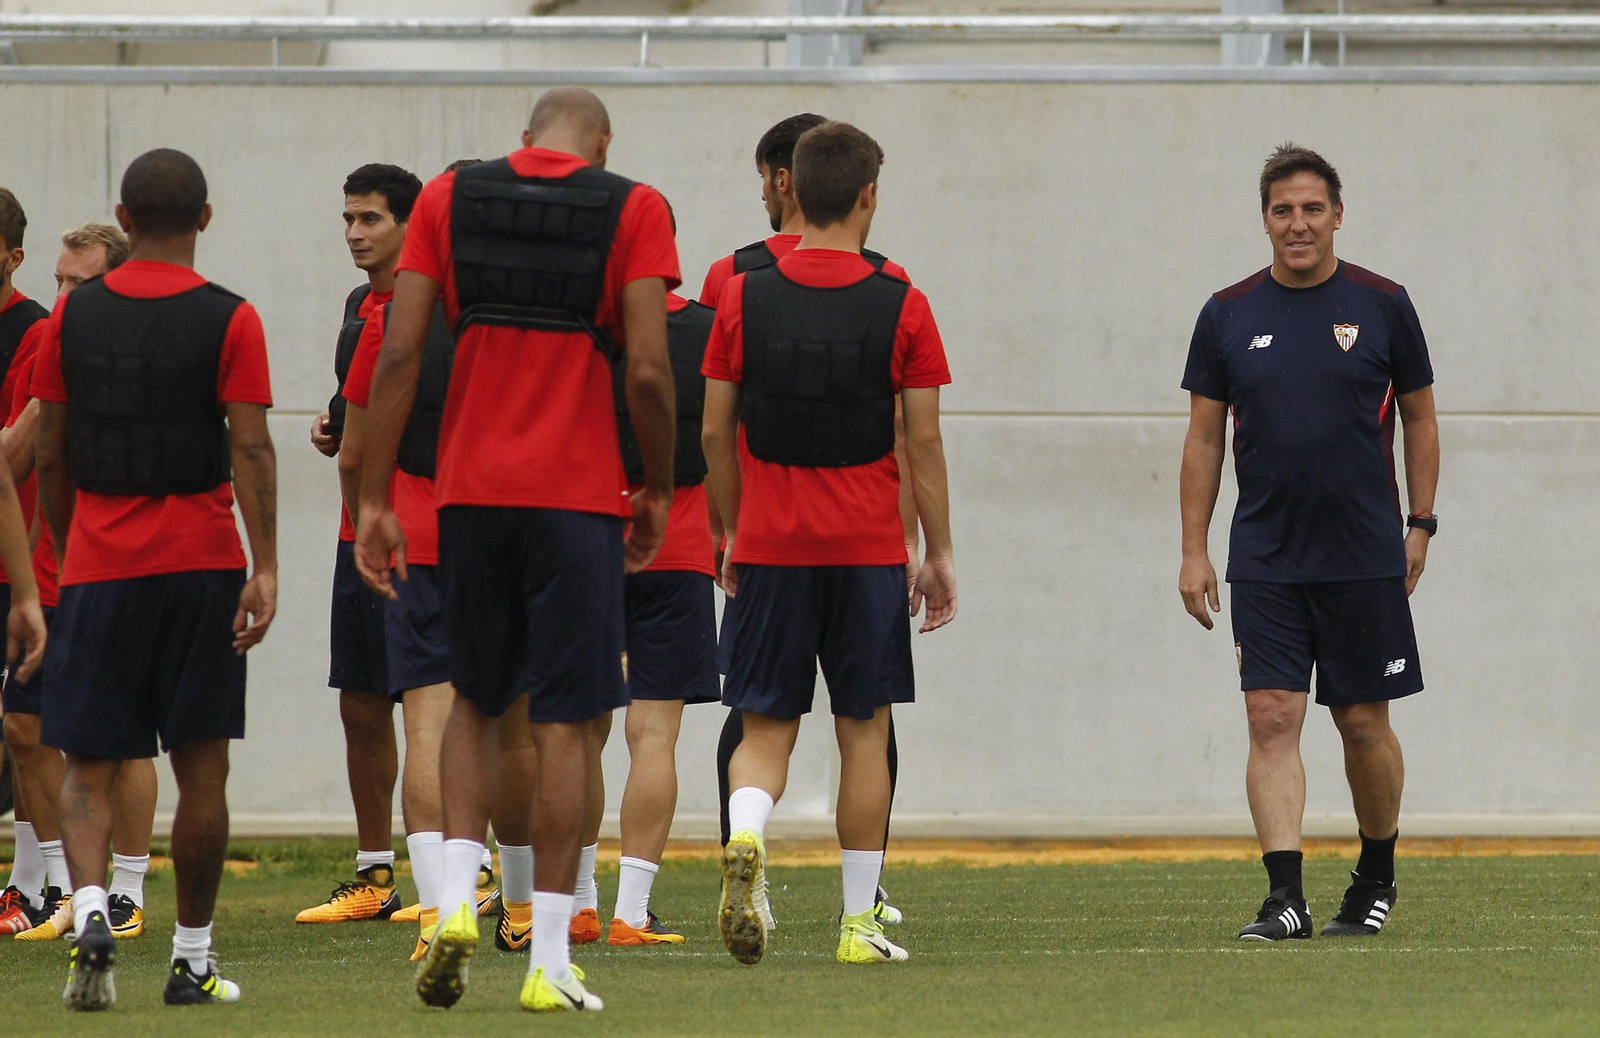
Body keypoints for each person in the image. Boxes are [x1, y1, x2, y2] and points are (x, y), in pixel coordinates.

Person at [356, 87, 678, 1013]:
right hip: (575, 496)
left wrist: (377, 496)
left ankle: (453, 900)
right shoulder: (634, 204)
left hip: (469, 493)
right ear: (602, 143)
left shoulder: (452, 199)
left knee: (474, 700)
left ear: (524, 139)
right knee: (568, 720)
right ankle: (546, 958)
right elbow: (652, 372)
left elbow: (402, 355)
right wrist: (654, 486)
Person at [702, 120, 957, 968]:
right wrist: (939, 552)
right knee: (864, 730)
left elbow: (713, 432)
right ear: (868, 194)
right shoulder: (902, 299)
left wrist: (733, 531)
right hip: (866, 548)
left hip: (770, 546)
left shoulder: (739, 295)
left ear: (788, 189)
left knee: (765, 728)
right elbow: (920, 441)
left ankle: (747, 835)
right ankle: (857, 924)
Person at [33, 148, 278, 1008]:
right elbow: (250, 446)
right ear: (205, 220)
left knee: (89, 767)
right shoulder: (232, 318)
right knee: (201, 771)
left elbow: (52, 454)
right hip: (204, 564)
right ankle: (193, 959)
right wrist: (267, 565)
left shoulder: (70, 320)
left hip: (102, 566)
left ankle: (92, 909)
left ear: (124, 221)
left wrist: (71, 552)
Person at [1178, 144, 1438, 942]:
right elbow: (1202, 442)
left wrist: (1420, 526)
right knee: (1270, 716)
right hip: (1266, 558)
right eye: (1283, 210)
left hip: (1364, 556)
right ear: (1265, 219)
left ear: (1337, 215)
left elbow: (1422, 418)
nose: (1298, 224)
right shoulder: (1226, 313)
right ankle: (1284, 898)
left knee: (1362, 724)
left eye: (1312, 209)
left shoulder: (1385, 303)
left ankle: (1377, 873)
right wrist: (1194, 550)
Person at [337, 157, 513, 962]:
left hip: (419, 533)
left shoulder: (397, 309)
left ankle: (447, 909)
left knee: (428, 722)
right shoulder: (527, 306)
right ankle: (537, 908)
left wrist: (369, 512)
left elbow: (357, 438)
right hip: (508, 528)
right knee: (525, 727)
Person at [2, 223, 161, 943]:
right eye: (59, 282)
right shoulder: (52, 352)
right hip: (47, 572)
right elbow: (18, 465)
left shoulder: (143, 354)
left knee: (123, 737)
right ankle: (67, 886)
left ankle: (127, 890)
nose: (62, 296)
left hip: (121, 569)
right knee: (25, 724)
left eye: (81, 283)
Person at [297, 164, 418, 925]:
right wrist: (331, 417)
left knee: (441, 707)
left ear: (409, 224)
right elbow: (358, 402)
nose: (354, 233)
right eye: (348, 219)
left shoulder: (431, 308)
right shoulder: (358, 304)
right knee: (364, 704)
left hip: (418, 533)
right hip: (356, 533)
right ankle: (375, 875)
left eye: (370, 218)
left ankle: (465, 870)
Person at [599, 205, 720, 948]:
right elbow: (727, 432)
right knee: (654, 736)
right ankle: (630, 911)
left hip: (583, 538)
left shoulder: (586, 328)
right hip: (676, 541)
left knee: (571, 733)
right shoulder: (708, 328)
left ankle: (574, 902)